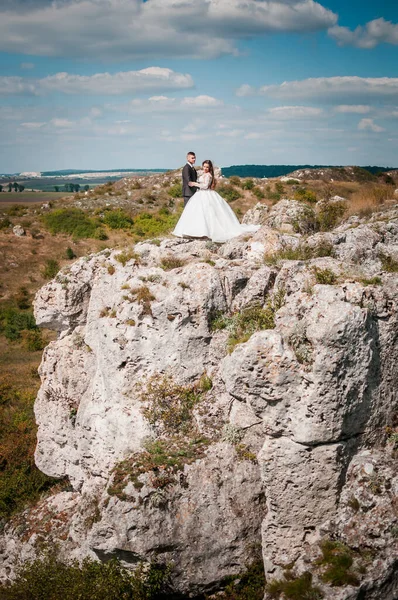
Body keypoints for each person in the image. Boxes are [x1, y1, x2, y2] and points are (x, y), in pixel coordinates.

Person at [173, 159, 260, 243]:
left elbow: (205, 186)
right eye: (204, 166)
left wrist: (194, 184)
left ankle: (205, 232)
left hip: (205, 193)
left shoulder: (208, 175)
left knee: (209, 213)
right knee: (199, 213)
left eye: (207, 167)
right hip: (200, 194)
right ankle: (195, 231)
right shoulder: (204, 174)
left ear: (209, 168)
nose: (205, 168)